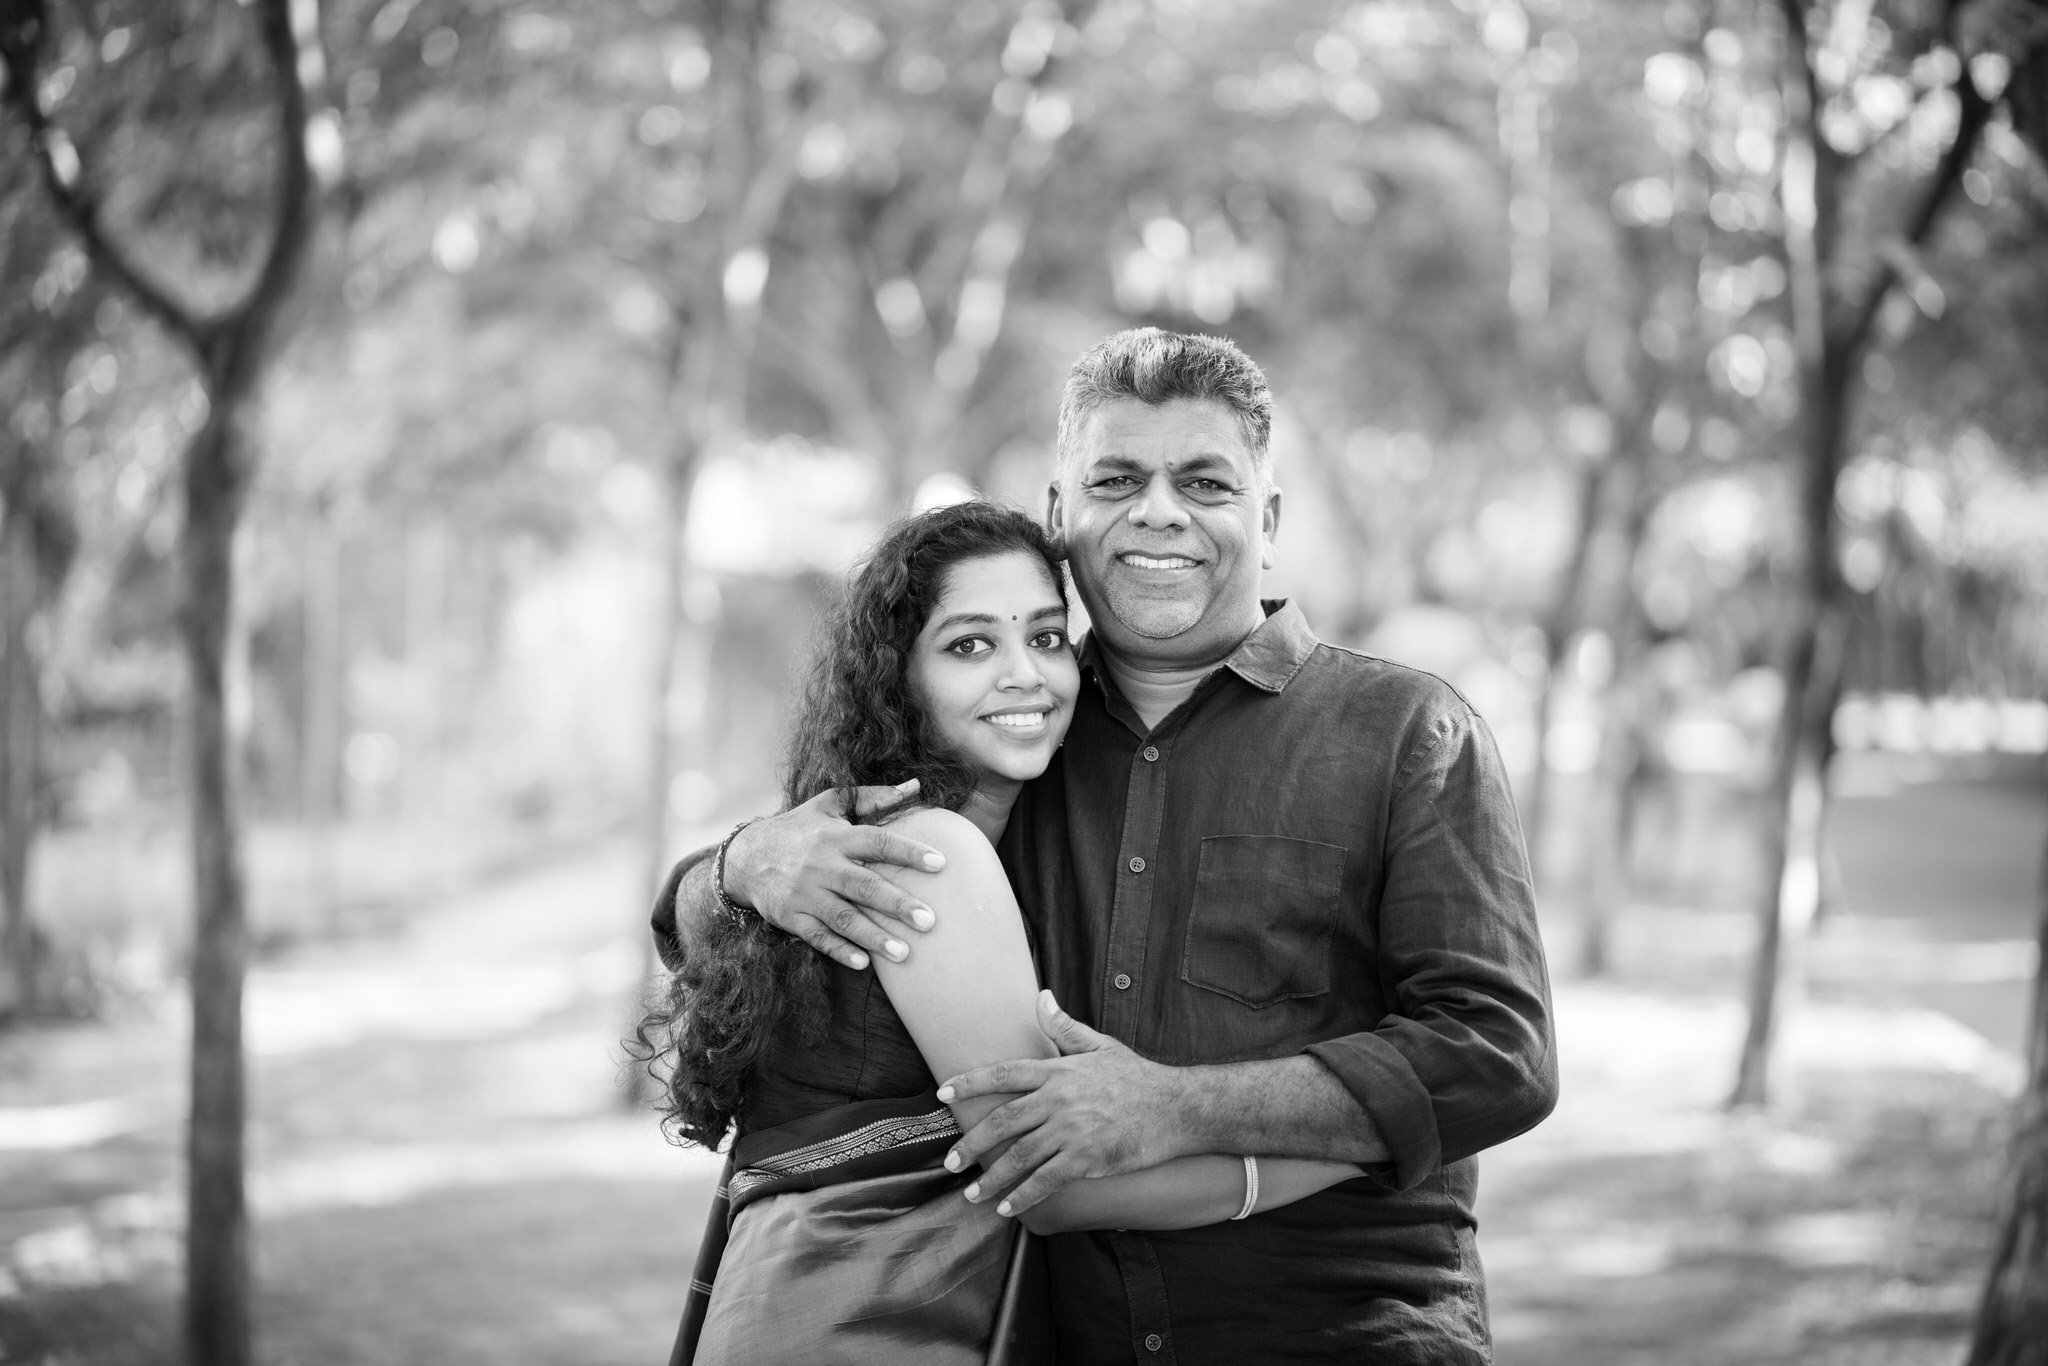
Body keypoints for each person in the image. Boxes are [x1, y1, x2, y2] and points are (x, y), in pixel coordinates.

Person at [656, 328, 1559, 1363]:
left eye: (1203, 481)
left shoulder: (1406, 732)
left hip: (1339, 1332)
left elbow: (1497, 1053)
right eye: (1117, 477)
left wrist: (1176, 1107)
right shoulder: (1008, 745)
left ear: (1263, 519)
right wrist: (733, 865)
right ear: (1059, 516)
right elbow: (737, 925)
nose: (1159, 511)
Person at [636, 500, 1361, 1366]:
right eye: (971, 645)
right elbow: (1050, 1179)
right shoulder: (930, 853)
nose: (1024, 674)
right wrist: (1355, 1144)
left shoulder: (896, 847)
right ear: (898, 679)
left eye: (1047, 638)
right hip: (862, 1326)